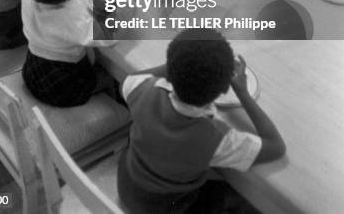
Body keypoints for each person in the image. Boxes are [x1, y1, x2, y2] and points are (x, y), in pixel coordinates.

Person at [118, 28, 285, 214]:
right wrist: (243, 93)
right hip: (167, 207)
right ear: (224, 89)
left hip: (128, 185)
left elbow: (129, 79)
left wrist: (179, 63)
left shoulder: (141, 90)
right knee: (240, 198)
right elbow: (277, 147)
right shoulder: (217, 139)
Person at [21, 0, 116, 107]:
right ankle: (115, 103)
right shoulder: (69, 14)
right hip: (64, 86)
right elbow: (105, 37)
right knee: (110, 76)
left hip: (34, 70)